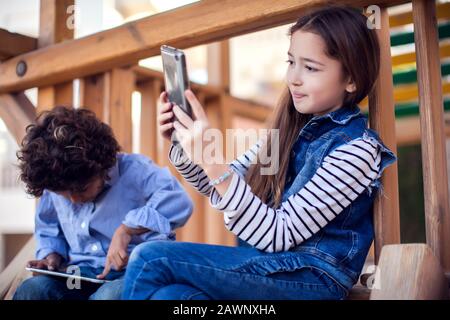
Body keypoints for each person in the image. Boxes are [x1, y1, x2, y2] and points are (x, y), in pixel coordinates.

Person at [122, 4, 397, 300]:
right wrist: (183, 145)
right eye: (291, 62)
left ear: (351, 79)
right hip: (269, 267)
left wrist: (211, 160)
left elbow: (278, 233)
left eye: (311, 67)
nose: (294, 78)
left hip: (313, 280)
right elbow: (220, 186)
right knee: (172, 296)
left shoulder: (357, 150)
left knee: (150, 258)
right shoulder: (285, 134)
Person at [13, 106, 193, 300]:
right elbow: (48, 227)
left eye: (81, 189)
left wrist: (127, 228)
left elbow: (179, 201)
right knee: (32, 290)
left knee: (107, 297)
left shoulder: (136, 170)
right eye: (64, 195)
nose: (73, 200)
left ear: (102, 166)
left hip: (130, 272)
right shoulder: (57, 182)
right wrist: (51, 257)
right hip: (77, 275)